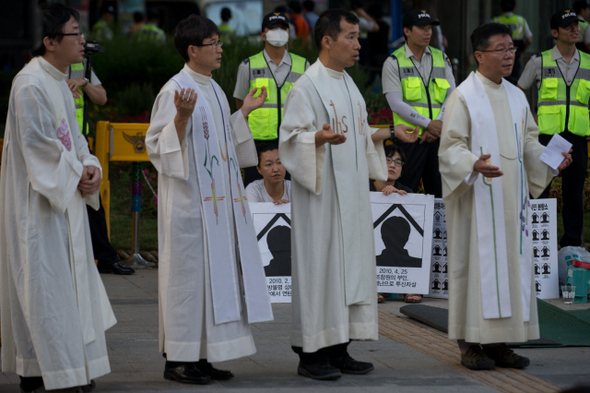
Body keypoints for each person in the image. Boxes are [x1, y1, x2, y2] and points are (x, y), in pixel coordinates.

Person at [279, 9, 418, 381]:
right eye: (352, 37)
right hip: (322, 200)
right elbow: (290, 141)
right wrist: (316, 139)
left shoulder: (347, 83)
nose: (359, 45)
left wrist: (388, 133)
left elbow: (357, 132)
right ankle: (311, 353)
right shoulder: (305, 87)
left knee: (347, 271)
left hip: (350, 200)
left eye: (358, 37)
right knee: (320, 271)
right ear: (328, 40)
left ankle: (339, 347)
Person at [146, 15, 273, 385]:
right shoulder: (175, 90)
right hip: (188, 208)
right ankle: (178, 360)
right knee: (187, 285)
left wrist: (244, 112)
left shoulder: (214, 89)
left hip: (217, 208)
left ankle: (204, 355)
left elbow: (221, 140)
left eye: (219, 43)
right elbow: (158, 147)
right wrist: (181, 118)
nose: (220, 50)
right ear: (192, 50)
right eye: (213, 44)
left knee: (216, 282)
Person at [439, 23, 572, 371]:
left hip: (510, 202)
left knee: (509, 268)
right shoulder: (463, 95)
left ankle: (498, 343)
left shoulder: (515, 95)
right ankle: (469, 345)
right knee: (475, 268)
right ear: (479, 55)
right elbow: (450, 147)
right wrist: (472, 164)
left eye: (511, 47)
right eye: (500, 49)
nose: (509, 54)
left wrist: (550, 158)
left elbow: (527, 142)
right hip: (476, 200)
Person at [0, 4, 116, 392]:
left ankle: (71, 369)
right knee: (44, 289)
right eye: (73, 34)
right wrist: (77, 172)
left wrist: (91, 167)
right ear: (50, 42)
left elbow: (75, 138)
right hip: (40, 208)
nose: (82, 41)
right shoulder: (30, 84)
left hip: (65, 199)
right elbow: (39, 149)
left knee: (69, 289)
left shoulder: (61, 79)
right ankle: (41, 372)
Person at [518, 10, 589, 249]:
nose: (575, 29)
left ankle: (571, 246)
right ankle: (536, 243)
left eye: (576, 25)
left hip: (578, 138)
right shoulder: (540, 60)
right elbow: (519, 91)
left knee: (574, 195)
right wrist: (529, 120)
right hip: (546, 138)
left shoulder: (588, 63)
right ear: (554, 33)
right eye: (568, 26)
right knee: (540, 190)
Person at [67, 60, 135, 275]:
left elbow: (102, 98)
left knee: (91, 196)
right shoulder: (39, 65)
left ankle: (106, 257)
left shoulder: (82, 63)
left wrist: (84, 83)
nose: (81, 41)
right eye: (75, 34)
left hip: (79, 142)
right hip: (54, 141)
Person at [382, 9, 455, 198]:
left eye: (429, 28)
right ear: (407, 31)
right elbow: (396, 103)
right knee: (404, 192)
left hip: (438, 138)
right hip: (409, 140)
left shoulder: (441, 57)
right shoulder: (393, 62)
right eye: (422, 28)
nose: (427, 32)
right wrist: (428, 124)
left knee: (441, 196)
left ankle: (437, 230)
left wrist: (436, 125)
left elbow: (452, 94)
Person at [234, 11, 309, 185]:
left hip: (291, 140)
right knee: (254, 192)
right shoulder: (248, 65)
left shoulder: (303, 65)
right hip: (257, 143)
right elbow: (240, 103)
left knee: (292, 193)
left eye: (283, 28)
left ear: (289, 33)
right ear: (263, 35)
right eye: (274, 28)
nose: (279, 32)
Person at [370, 144, 421, 303]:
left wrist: (397, 200)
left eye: (398, 162)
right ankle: (371, 287)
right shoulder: (362, 189)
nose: (393, 165)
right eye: (388, 160)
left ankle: (410, 287)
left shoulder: (407, 193)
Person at [491, 0, 532, 84]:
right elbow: (529, 40)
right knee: (513, 82)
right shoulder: (521, 20)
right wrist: (521, 51)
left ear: (500, 8)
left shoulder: (495, 21)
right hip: (515, 57)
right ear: (514, 8)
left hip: (497, 58)